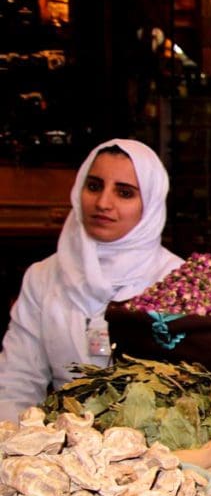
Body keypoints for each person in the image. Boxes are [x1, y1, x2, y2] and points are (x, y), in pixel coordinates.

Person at [0, 139, 183, 421]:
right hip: (60, 447)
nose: (103, 203)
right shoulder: (44, 277)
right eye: (94, 186)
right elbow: (16, 381)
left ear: (150, 203)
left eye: (124, 192)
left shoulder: (179, 281)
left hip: (158, 452)